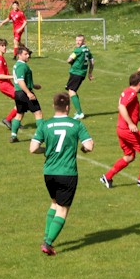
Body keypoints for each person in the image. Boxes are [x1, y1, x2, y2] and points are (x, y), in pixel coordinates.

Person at [30, 92, 94, 256]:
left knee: (54, 203)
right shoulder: (76, 124)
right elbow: (89, 145)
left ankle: (46, 236)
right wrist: (83, 149)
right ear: (68, 107)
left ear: (53, 106)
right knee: (63, 209)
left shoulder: (45, 125)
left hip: (49, 172)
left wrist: (46, 150)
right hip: (67, 173)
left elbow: (33, 148)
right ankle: (48, 243)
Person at [100, 71, 140, 189]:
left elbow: (126, 107)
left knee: (130, 156)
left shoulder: (127, 91)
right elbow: (121, 107)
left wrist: (138, 117)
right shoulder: (132, 93)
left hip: (121, 129)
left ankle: (107, 177)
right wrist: (131, 123)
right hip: (127, 130)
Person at [11, 46, 43, 143]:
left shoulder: (17, 65)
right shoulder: (22, 66)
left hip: (18, 93)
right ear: (19, 55)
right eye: (25, 54)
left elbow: (21, 80)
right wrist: (29, 93)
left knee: (19, 114)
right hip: (24, 93)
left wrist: (33, 85)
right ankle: (41, 136)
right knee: (38, 113)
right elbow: (20, 81)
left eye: (28, 53)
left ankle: (13, 135)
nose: (28, 55)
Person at [65, 34, 94, 119]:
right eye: (76, 40)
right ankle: (78, 112)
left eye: (80, 40)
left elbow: (69, 60)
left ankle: (80, 113)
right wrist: (90, 73)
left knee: (71, 91)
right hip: (82, 73)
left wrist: (71, 62)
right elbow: (92, 61)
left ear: (83, 41)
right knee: (73, 91)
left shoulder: (78, 50)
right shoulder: (87, 50)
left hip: (76, 73)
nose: (77, 42)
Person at [0, 38, 19, 130]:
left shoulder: (1, 58)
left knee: (20, 101)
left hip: (7, 84)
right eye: (2, 46)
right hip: (4, 85)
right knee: (22, 100)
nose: (4, 47)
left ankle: (15, 121)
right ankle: (8, 120)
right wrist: (13, 77)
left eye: (5, 45)